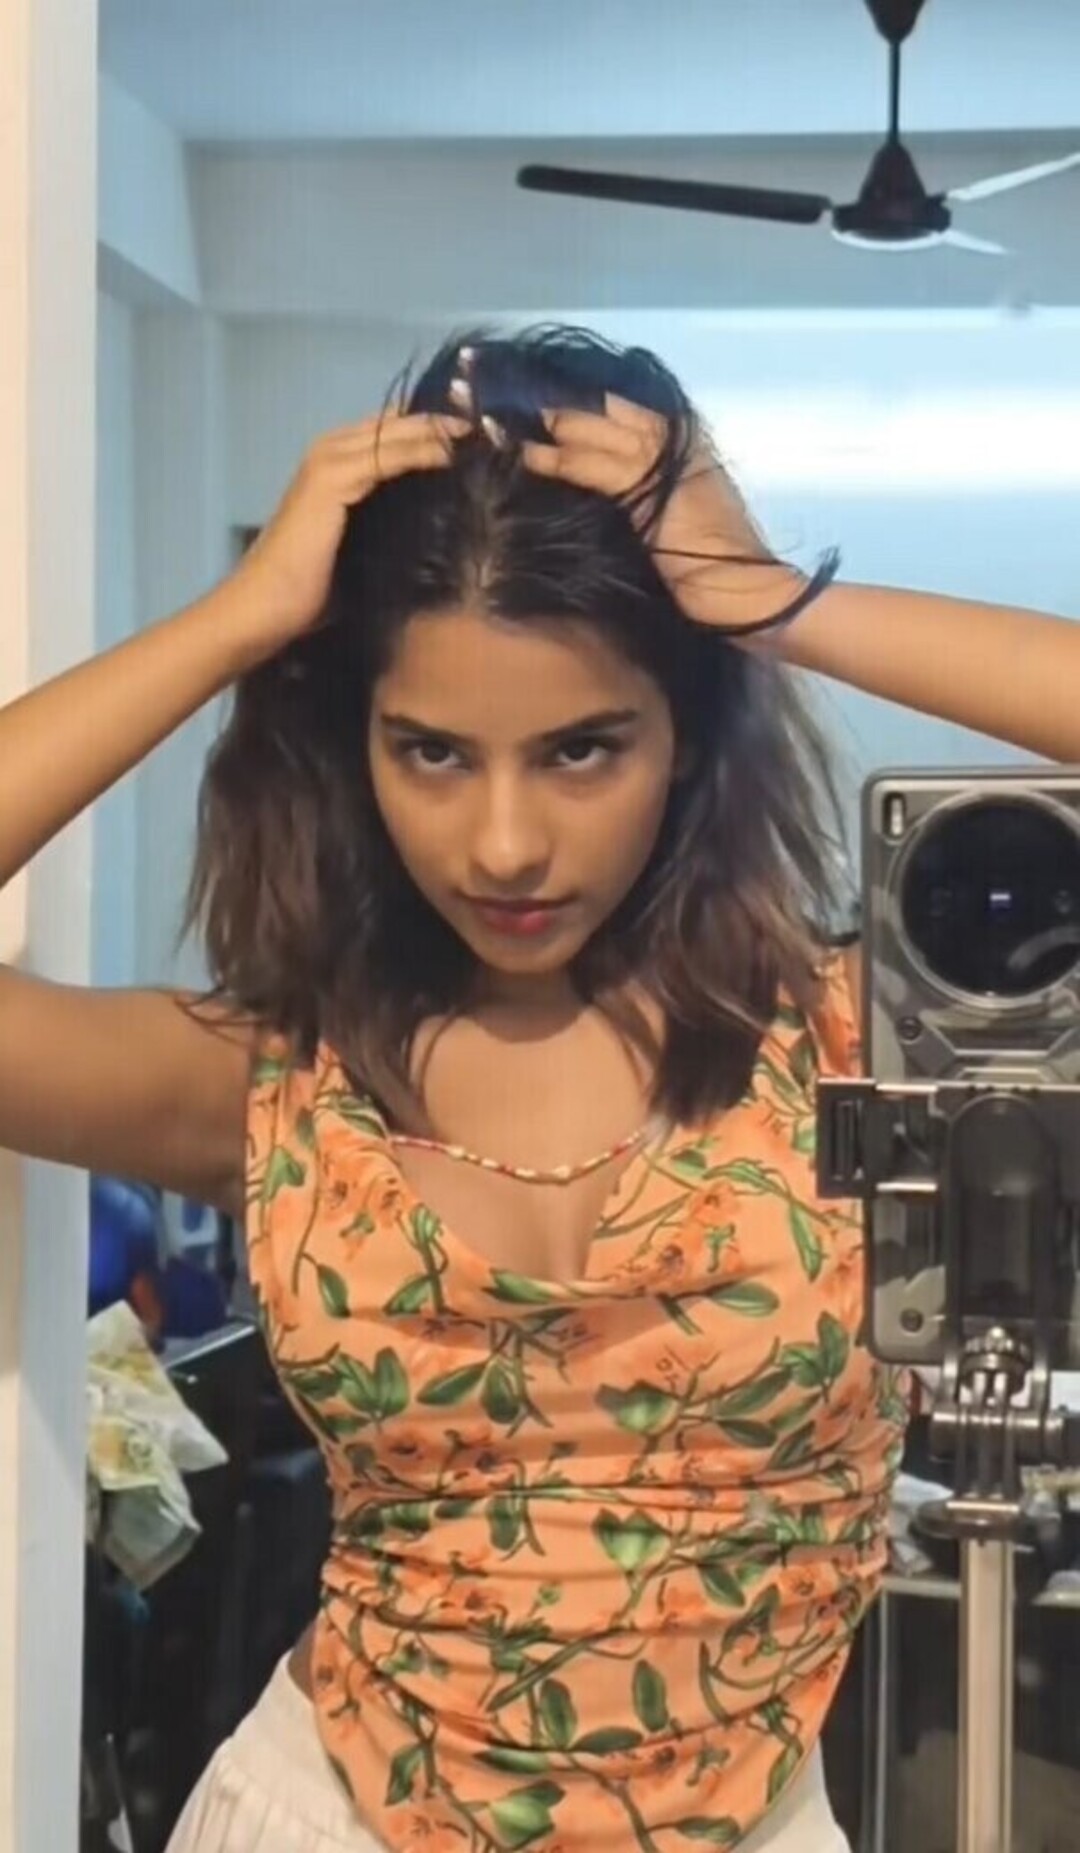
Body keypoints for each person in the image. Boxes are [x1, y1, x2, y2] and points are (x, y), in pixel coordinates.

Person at [2, 326, 1078, 1853]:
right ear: (356, 747)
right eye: (432, 751)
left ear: (687, 735)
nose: (504, 844)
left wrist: (783, 608)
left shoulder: (867, 1051)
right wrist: (239, 624)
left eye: (582, 749)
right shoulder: (277, 1080)